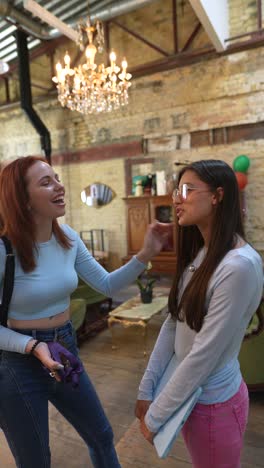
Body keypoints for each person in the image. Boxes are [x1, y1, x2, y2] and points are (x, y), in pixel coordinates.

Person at [0, 155, 170, 468]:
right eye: (46, 182)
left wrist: (145, 253)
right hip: (17, 361)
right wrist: (33, 346)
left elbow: (107, 285)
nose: (59, 186)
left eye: (57, 177)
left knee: (101, 436)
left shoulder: (69, 239)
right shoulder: (3, 250)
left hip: (63, 347)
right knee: (35, 460)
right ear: (22, 200)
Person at [135, 159, 263, 468]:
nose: (177, 198)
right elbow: (173, 321)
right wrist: (146, 387)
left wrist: (155, 416)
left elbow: (203, 354)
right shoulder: (203, 254)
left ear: (218, 195)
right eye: (176, 190)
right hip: (193, 398)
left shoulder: (238, 266)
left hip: (213, 402)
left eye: (187, 190)